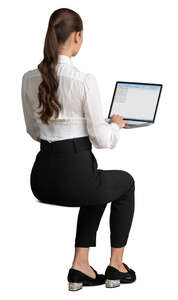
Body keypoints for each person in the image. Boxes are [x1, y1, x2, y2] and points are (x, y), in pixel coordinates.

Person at [21, 8, 136, 291]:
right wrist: (116, 125)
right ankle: (116, 266)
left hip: (41, 180)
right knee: (125, 183)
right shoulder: (84, 80)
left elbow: (34, 131)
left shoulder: (28, 78)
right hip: (75, 179)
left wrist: (75, 127)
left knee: (97, 183)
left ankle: (80, 266)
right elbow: (102, 140)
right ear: (77, 36)